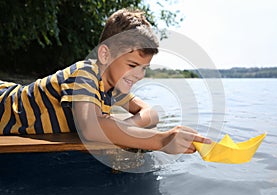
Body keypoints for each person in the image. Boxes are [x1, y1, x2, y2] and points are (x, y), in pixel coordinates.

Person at [0, 8, 211, 154]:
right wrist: (162, 140)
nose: (139, 75)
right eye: (131, 65)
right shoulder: (85, 74)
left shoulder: (112, 87)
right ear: (104, 55)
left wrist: (120, 126)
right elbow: (91, 129)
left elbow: (151, 113)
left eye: (144, 68)